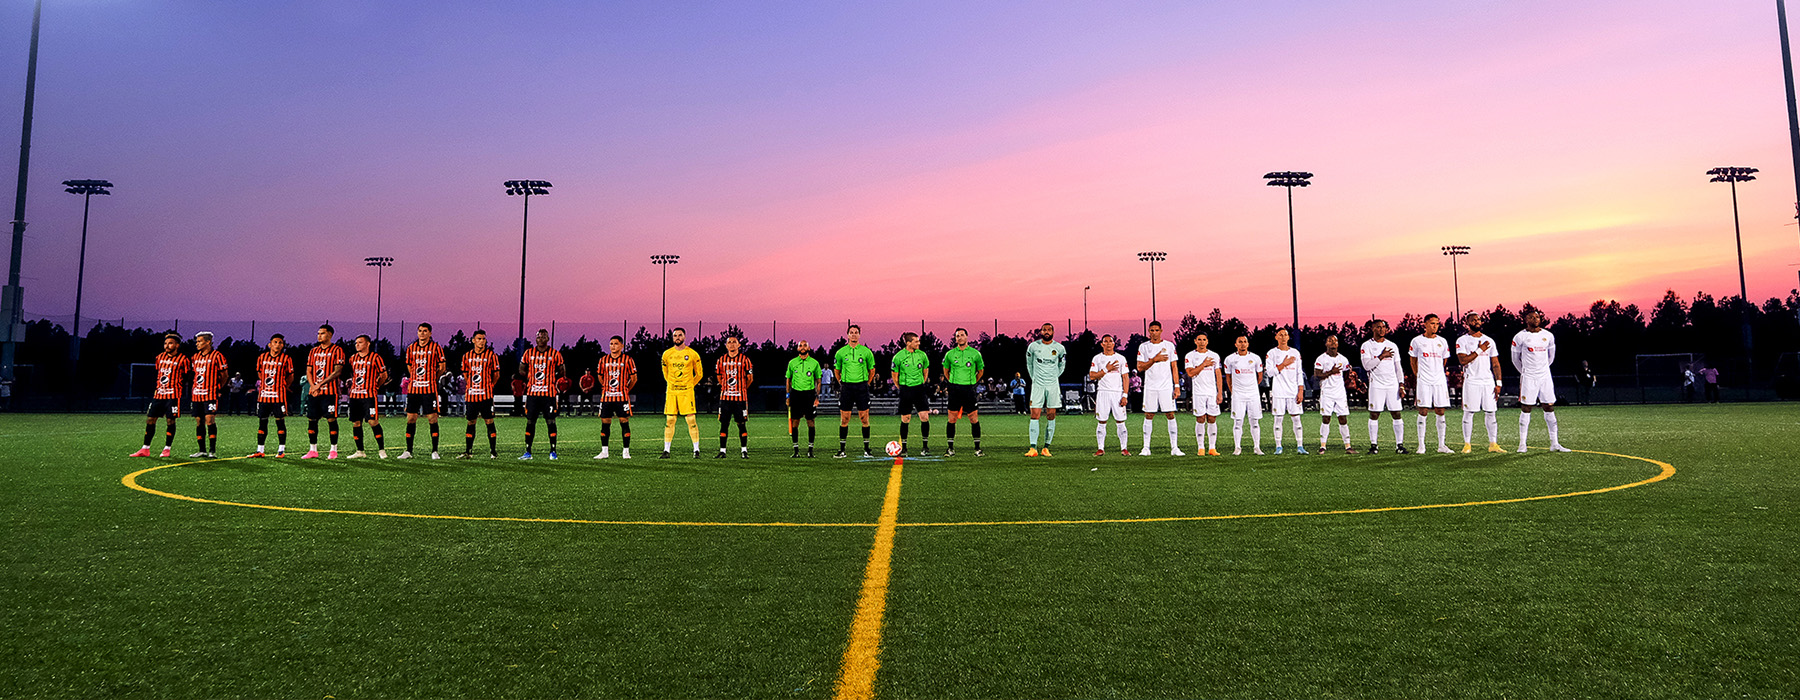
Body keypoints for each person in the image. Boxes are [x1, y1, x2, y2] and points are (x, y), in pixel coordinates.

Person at [1512, 310, 1570, 452]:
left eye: (1537, 316)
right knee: (1526, 408)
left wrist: (1542, 370)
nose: (1535, 319)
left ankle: (1554, 443)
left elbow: (1551, 357)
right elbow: (1515, 359)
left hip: (1545, 376)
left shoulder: (1548, 335)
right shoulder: (1520, 337)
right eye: (1532, 317)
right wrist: (1526, 371)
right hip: (1529, 377)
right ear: (1526, 319)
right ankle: (1522, 444)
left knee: (1549, 407)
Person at [131, 333, 189, 458]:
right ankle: (145, 449)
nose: (167, 346)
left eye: (170, 343)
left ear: (177, 345)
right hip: (159, 395)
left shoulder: (183, 359)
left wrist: (179, 386)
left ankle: (167, 449)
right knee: (150, 420)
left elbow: (187, 376)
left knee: (170, 421)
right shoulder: (159, 357)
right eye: (165, 343)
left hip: (173, 395)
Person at [1453, 312, 1504, 453]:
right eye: (1473, 320)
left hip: (1488, 382)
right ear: (1467, 323)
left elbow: (1495, 364)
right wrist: (1479, 349)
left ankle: (1493, 444)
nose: (1476, 321)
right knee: (1469, 412)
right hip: (1472, 381)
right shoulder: (1462, 340)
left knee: (1491, 412)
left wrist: (1498, 383)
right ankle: (1467, 444)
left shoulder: (1489, 341)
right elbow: (1463, 360)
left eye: (1478, 319)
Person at [1135, 321, 1184, 456]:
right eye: (1152, 330)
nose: (1154, 333)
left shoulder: (1169, 345)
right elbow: (1140, 367)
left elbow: (1174, 367)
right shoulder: (1144, 347)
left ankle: (1174, 448)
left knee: (1170, 414)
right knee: (1149, 415)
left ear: (1161, 331)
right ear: (1148, 331)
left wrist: (1177, 386)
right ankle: (1146, 447)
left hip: (1166, 387)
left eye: (1157, 330)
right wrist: (1154, 359)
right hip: (1150, 386)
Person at [1360, 319, 1408, 454]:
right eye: (1378, 327)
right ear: (1372, 329)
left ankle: (1399, 445)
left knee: (1396, 413)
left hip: (1392, 385)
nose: (1381, 329)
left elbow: (1398, 367)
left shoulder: (1392, 345)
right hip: (1377, 385)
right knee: (1374, 414)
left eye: (1383, 327)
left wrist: (1401, 384)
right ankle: (1374, 445)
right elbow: (1367, 366)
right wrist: (1381, 356)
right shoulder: (1366, 346)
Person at [399, 323, 446, 459]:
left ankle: (434, 451)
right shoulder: (411, 348)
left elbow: (442, 367)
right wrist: (415, 378)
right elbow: (409, 366)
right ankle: (408, 451)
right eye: (420, 331)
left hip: (429, 389)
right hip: (414, 389)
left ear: (430, 333)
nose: (422, 333)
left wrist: (432, 378)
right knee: (411, 418)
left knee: (432, 419)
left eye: (425, 331)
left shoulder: (436, 347)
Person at [517, 328, 565, 459]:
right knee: (530, 422)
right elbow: (521, 369)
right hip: (533, 394)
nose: (541, 338)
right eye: (539, 336)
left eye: (544, 336)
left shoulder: (555, 354)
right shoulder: (528, 353)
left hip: (549, 395)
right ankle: (528, 452)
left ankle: (553, 451)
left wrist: (553, 377)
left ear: (548, 339)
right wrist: (531, 376)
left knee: (551, 421)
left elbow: (562, 370)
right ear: (536, 338)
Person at [1408, 314, 1453, 454]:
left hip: (1439, 380)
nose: (1435, 326)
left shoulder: (1442, 341)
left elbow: (1444, 361)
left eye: (1437, 324)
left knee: (1441, 411)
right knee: (1423, 411)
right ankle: (1421, 445)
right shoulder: (1417, 341)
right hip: (1424, 380)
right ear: (1425, 324)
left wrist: (1437, 372)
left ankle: (1442, 445)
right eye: (1432, 323)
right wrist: (1418, 375)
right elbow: (1413, 360)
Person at [302, 324, 346, 459]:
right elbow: (309, 371)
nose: (319, 335)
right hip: (315, 392)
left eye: (322, 333)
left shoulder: (337, 350)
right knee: (312, 419)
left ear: (330, 335)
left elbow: (337, 371)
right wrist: (312, 386)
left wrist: (319, 384)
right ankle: (312, 450)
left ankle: (333, 450)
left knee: (331, 419)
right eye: (318, 333)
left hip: (329, 392)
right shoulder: (313, 351)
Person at [834, 325, 878, 458]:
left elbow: (872, 370)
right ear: (847, 335)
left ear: (860, 335)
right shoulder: (841, 352)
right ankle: (842, 450)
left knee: (864, 418)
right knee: (844, 419)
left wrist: (867, 383)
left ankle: (866, 449)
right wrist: (842, 382)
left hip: (861, 388)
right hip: (847, 388)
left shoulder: (866, 352)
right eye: (851, 333)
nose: (854, 335)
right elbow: (837, 370)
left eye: (856, 333)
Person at [661, 327, 705, 458]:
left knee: (691, 420)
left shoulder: (692, 354)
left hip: (686, 392)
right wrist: (672, 384)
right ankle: (666, 450)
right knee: (670, 421)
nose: (677, 338)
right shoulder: (666, 354)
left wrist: (689, 385)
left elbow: (699, 374)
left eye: (680, 335)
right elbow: (665, 373)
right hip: (672, 392)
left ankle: (696, 450)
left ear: (684, 337)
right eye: (675, 335)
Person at [1024, 323, 1067, 457]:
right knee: (1035, 414)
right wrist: (1035, 378)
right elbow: (1029, 364)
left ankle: (1046, 447)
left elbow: (1062, 366)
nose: (1046, 332)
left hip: (1053, 385)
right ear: (1041, 332)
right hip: (1038, 384)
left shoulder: (1059, 348)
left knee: (1051, 415)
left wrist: (1053, 377)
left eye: (1049, 330)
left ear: (1053, 332)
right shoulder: (1033, 347)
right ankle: (1033, 448)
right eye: (1044, 330)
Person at [248, 334, 294, 458]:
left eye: (280, 342)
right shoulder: (262, 357)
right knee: (262, 422)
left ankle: (281, 450)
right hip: (263, 396)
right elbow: (259, 373)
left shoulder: (286, 358)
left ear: (283, 345)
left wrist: (283, 386)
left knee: (280, 422)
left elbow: (290, 376)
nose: (278, 345)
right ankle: (260, 450)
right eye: (275, 342)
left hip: (279, 397)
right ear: (270, 344)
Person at [941, 328, 985, 457]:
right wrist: (953, 383)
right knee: (952, 419)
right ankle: (950, 448)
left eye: (961, 335)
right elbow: (946, 371)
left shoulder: (975, 353)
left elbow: (980, 371)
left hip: (969, 390)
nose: (959, 338)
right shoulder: (949, 354)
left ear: (967, 336)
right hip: (955, 389)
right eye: (957, 336)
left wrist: (972, 383)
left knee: (973, 419)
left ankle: (977, 448)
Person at [458, 329, 500, 459]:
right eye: (479, 339)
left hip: (486, 395)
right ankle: (468, 451)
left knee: (489, 421)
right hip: (472, 395)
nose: (482, 341)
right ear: (473, 340)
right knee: (471, 422)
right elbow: (465, 374)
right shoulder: (466, 356)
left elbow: (496, 375)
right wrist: (472, 385)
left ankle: (493, 451)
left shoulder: (491, 356)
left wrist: (488, 386)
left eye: (483, 339)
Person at [344, 334, 389, 458]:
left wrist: (376, 386)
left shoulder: (375, 357)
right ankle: (360, 451)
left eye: (360, 342)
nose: (357, 344)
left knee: (373, 421)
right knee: (356, 423)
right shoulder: (352, 358)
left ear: (368, 344)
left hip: (368, 396)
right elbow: (354, 375)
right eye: (356, 342)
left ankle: (381, 450)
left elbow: (384, 375)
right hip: (354, 396)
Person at [593, 336, 637, 459]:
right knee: (605, 424)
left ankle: (626, 452)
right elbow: (600, 377)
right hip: (607, 398)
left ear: (622, 346)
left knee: (624, 423)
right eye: (611, 343)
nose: (613, 346)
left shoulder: (628, 360)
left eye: (616, 344)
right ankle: (604, 452)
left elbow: (634, 379)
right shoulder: (603, 360)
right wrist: (607, 388)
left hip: (622, 397)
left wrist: (625, 389)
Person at [1265, 328, 1307, 455]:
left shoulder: (1295, 353)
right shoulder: (1271, 353)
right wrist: (1284, 364)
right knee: (1278, 419)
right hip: (1279, 392)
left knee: (1296, 418)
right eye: (1280, 335)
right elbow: (1270, 373)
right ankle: (1278, 446)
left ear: (1288, 337)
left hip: (1293, 391)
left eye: (1285, 335)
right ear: (1276, 337)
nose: (1283, 337)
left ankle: (1300, 446)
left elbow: (1299, 373)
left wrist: (1300, 390)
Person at [187, 331, 228, 458]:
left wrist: (217, 388)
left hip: (210, 395)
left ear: (208, 342)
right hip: (196, 395)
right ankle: (202, 450)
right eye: (197, 341)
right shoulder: (195, 357)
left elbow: (224, 375)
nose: (197, 344)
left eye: (200, 341)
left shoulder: (218, 356)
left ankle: (212, 451)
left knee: (209, 421)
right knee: (199, 421)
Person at [1313, 335, 1356, 454]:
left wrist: (1352, 382)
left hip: (1340, 393)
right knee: (1326, 418)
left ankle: (1348, 446)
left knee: (1343, 418)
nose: (1333, 342)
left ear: (1338, 344)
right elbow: (1317, 374)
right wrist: (1331, 372)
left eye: (1335, 340)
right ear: (1326, 344)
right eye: (1330, 340)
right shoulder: (1321, 359)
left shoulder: (1343, 359)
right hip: (1327, 392)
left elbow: (1347, 375)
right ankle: (1322, 446)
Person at [1089, 334, 1132, 455]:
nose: (1108, 343)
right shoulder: (1097, 359)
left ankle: (1124, 448)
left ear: (1114, 344)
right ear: (1102, 344)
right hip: (1103, 393)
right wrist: (1106, 369)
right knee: (1102, 421)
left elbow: (1125, 377)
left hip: (1117, 393)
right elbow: (1092, 376)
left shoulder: (1121, 358)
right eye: (1105, 341)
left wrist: (1125, 395)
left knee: (1120, 421)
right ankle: (1100, 448)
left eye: (1110, 341)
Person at [891, 332, 932, 455]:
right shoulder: (898, 356)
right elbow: (894, 375)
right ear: (908, 343)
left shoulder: (922, 355)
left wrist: (921, 383)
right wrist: (902, 387)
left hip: (919, 389)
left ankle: (925, 447)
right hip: (906, 390)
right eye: (916, 341)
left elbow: (926, 370)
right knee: (906, 419)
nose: (918, 343)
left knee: (925, 417)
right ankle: (904, 448)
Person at [1222, 335, 1264, 455]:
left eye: (1245, 342)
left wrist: (1252, 387)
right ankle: (1237, 447)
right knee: (1238, 421)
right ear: (1236, 344)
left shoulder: (1255, 358)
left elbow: (1259, 376)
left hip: (1253, 394)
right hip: (1238, 395)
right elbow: (1228, 377)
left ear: (1248, 344)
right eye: (1240, 342)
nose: (1242, 344)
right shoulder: (1230, 359)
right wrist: (1233, 390)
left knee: (1255, 421)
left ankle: (1257, 447)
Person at [1184, 333, 1223, 456]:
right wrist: (1203, 364)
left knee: (1212, 418)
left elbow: (1218, 375)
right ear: (1195, 341)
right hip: (1198, 392)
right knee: (1200, 418)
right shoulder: (1190, 356)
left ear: (1207, 341)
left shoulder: (1214, 356)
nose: (1202, 342)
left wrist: (1220, 392)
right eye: (1199, 340)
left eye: (1204, 340)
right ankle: (1201, 447)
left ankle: (1212, 448)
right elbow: (1190, 373)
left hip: (1212, 392)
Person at [715, 335, 754, 458]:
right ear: (726, 345)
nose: (731, 344)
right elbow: (719, 377)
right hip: (725, 399)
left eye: (734, 342)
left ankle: (744, 451)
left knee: (741, 424)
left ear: (739, 345)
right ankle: (722, 451)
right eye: (729, 342)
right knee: (724, 424)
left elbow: (750, 378)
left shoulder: (745, 360)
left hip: (740, 399)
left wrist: (741, 389)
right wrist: (727, 388)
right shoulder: (721, 360)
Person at [785, 339, 823, 458]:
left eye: (805, 345)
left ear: (809, 348)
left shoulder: (814, 363)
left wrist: (817, 397)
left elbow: (818, 381)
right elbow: (788, 380)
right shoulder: (792, 363)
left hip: (809, 395)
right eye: (800, 345)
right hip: (796, 394)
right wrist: (788, 395)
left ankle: (810, 450)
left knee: (810, 422)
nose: (802, 347)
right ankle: (796, 450)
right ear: (797, 349)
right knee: (795, 422)